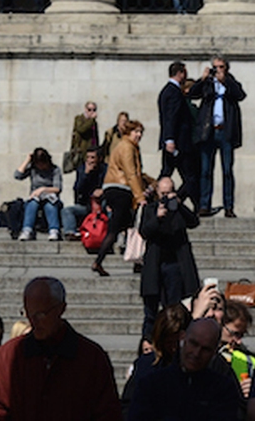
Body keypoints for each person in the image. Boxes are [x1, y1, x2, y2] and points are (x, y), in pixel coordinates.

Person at [0, 277, 119, 421]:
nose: (33, 321)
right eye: (28, 313)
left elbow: (107, 413)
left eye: (41, 314)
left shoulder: (91, 357)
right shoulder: (9, 354)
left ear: (61, 309)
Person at [123, 312, 241, 421]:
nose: (196, 353)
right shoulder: (151, 383)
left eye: (205, 349)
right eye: (193, 344)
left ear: (214, 352)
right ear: (183, 338)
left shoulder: (223, 388)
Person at [136, 178, 201, 337]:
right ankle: (147, 343)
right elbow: (144, 231)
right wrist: (157, 217)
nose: (166, 197)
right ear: (157, 193)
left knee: (174, 310)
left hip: (175, 266)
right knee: (151, 312)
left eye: (169, 192)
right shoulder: (150, 209)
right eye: (163, 193)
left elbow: (193, 222)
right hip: (155, 265)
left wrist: (179, 204)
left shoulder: (178, 210)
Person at [190, 57, 246, 218]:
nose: (218, 70)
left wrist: (226, 82)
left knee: (227, 170)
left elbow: (240, 95)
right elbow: (193, 93)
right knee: (206, 170)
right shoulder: (207, 84)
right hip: (208, 131)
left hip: (226, 131)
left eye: (221, 67)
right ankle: (204, 204)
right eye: (215, 67)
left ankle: (229, 205)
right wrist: (202, 79)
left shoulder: (231, 83)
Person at [94, 120, 147, 278]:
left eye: (140, 132)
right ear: (128, 133)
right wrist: (140, 196)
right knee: (116, 228)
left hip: (115, 189)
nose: (139, 135)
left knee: (130, 224)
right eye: (136, 132)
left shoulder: (126, 146)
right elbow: (131, 173)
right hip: (121, 189)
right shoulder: (127, 147)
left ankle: (137, 263)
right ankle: (98, 261)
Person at [156, 62, 196, 202]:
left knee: (167, 172)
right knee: (190, 177)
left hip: (173, 141)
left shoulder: (166, 91)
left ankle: (156, 199)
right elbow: (171, 118)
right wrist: (170, 139)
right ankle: (175, 200)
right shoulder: (174, 93)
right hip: (178, 143)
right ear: (180, 73)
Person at [13, 148, 63, 242]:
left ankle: (54, 230)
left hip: (50, 197)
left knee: (49, 205)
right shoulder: (33, 169)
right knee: (32, 204)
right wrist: (27, 160)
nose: (41, 167)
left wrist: (43, 189)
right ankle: (27, 230)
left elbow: (58, 188)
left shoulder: (55, 170)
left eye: (42, 164)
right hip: (35, 198)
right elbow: (17, 175)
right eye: (38, 164)